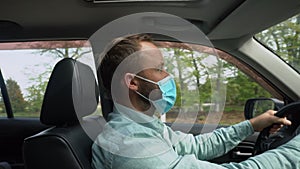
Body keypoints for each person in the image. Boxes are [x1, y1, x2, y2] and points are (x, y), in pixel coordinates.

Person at [92, 34, 300, 169]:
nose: (168, 75)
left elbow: (196, 145)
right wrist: (296, 151)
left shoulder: (143, 127)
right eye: (159, 68)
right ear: (133, 82)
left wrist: (253, 125)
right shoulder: (130, 144)